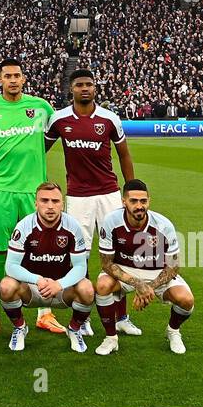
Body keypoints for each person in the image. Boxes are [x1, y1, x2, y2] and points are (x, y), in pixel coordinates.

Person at [44, 68, 139, 337]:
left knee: (117, 254)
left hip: (108, 193)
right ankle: (83, 316)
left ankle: (121, 316)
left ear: (95, 88)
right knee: (80, 257)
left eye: (89, 84)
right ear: (71, 89)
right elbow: (40, 150)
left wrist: (129, 190)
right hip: (78, 197)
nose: (85, 88)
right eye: (79, 85)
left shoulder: (109, 119)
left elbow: (124, 155)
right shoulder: (59, 119)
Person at [0, 58, 59, 336]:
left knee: (43, 252)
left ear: (24, 78)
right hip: (1, 191)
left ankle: (46, 312)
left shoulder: (41, 107)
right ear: (0, 79)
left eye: (17, 75)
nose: (13, 80)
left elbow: (53, 135)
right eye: (7, 76)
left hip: (34, 192)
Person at [95, 179, 196, 356]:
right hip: (124, 269)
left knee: (186, 300)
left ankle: (173, 331)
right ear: (123, 201)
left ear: (149, 200)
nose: (139, 206)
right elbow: (106, 263)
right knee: (102, 286)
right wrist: (137, 284)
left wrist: (149, 286)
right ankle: (111, 338)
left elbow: (173, 266)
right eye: (133, 201)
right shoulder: (111, 221)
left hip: (157, 272)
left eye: (143, 201)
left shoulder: (164, 224)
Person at [0, 182, 95, 353]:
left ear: (62, 204)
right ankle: (20, 327)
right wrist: (38, 280)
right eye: (44, 200)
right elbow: (11, 266)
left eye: (55, 201)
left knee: (87, 289)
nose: (50, 206)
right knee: (6, 286)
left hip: (61, 289)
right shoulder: (24, 226)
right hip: (32, 288)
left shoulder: (72, 226)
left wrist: (60, 284)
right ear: (36, 203)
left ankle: (74, 329)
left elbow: (81, 266)